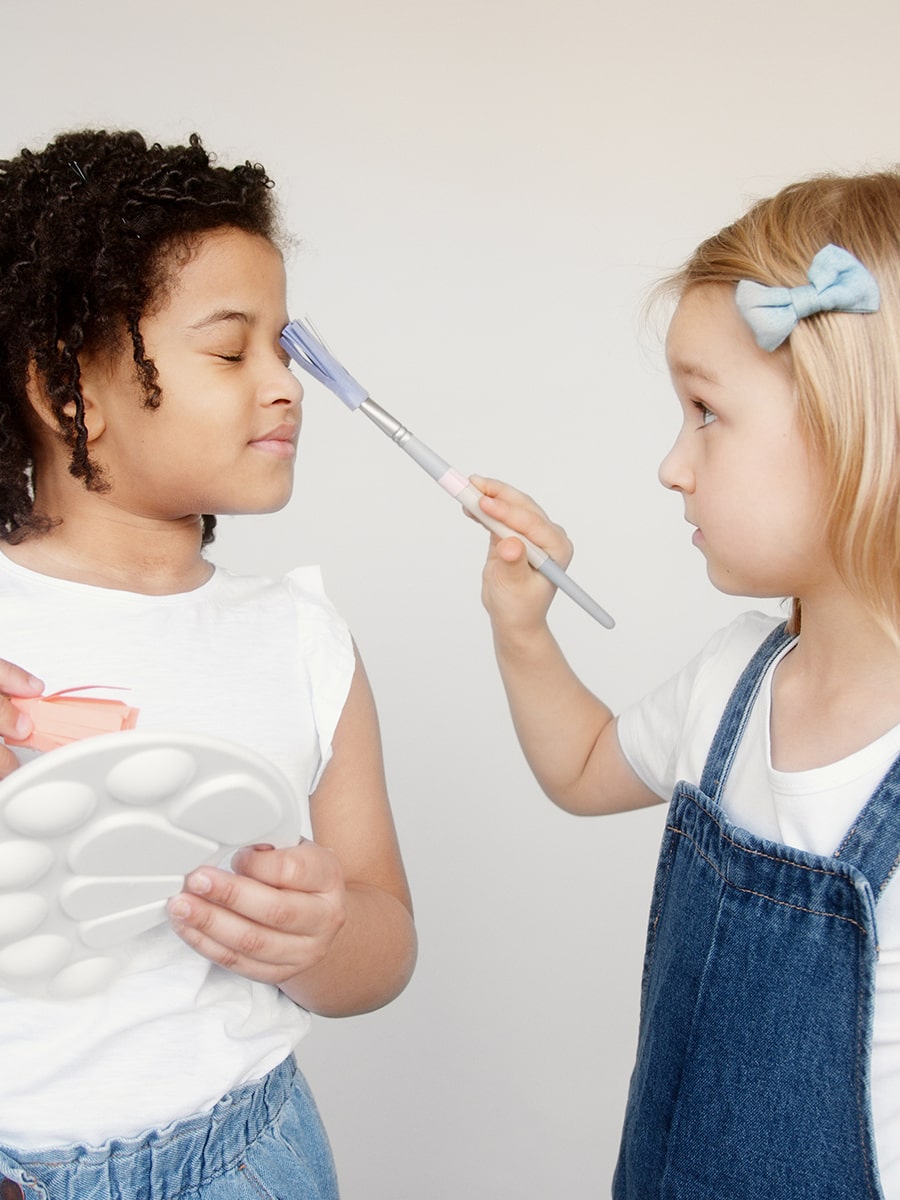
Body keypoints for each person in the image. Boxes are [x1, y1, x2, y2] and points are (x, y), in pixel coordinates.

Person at [0, 129, 416, 1199]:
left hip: (247, 1159)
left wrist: (318, 934)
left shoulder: (302, 640)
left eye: (283, 347)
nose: (284, 385)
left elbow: (384, 946)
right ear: (65, 389)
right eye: (233, 352)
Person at [475, 171, 900, 1199]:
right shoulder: (733, 681)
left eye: (706, 413)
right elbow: (582, 767)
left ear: (854, 428)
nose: (672, 464)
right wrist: (522, 627)